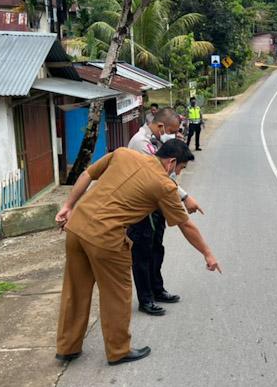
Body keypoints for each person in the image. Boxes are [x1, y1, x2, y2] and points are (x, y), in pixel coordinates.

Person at [54, 140, 221, 366]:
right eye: (181, 168)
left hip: (77, 227)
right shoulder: (164, 185)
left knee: (75, 290)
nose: (179, 173)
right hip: (106, 238)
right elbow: (186, 225)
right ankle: (118, 350)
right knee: (117, 295)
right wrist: (208, 254)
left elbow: (87, 174)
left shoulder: (123, 154)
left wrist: (68, 206)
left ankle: (68, 348)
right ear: (171, 162)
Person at [127, 108, 202, 316]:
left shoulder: (156, 138)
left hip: (156, 205)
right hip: (142, 207)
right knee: (142, 254)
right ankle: (146, 299)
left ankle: (157, 289)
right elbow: (160, 176)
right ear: (161, 126)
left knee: (156, 249)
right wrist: (185, 197)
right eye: (171, 130)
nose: (172, 134)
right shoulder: (141, 143)